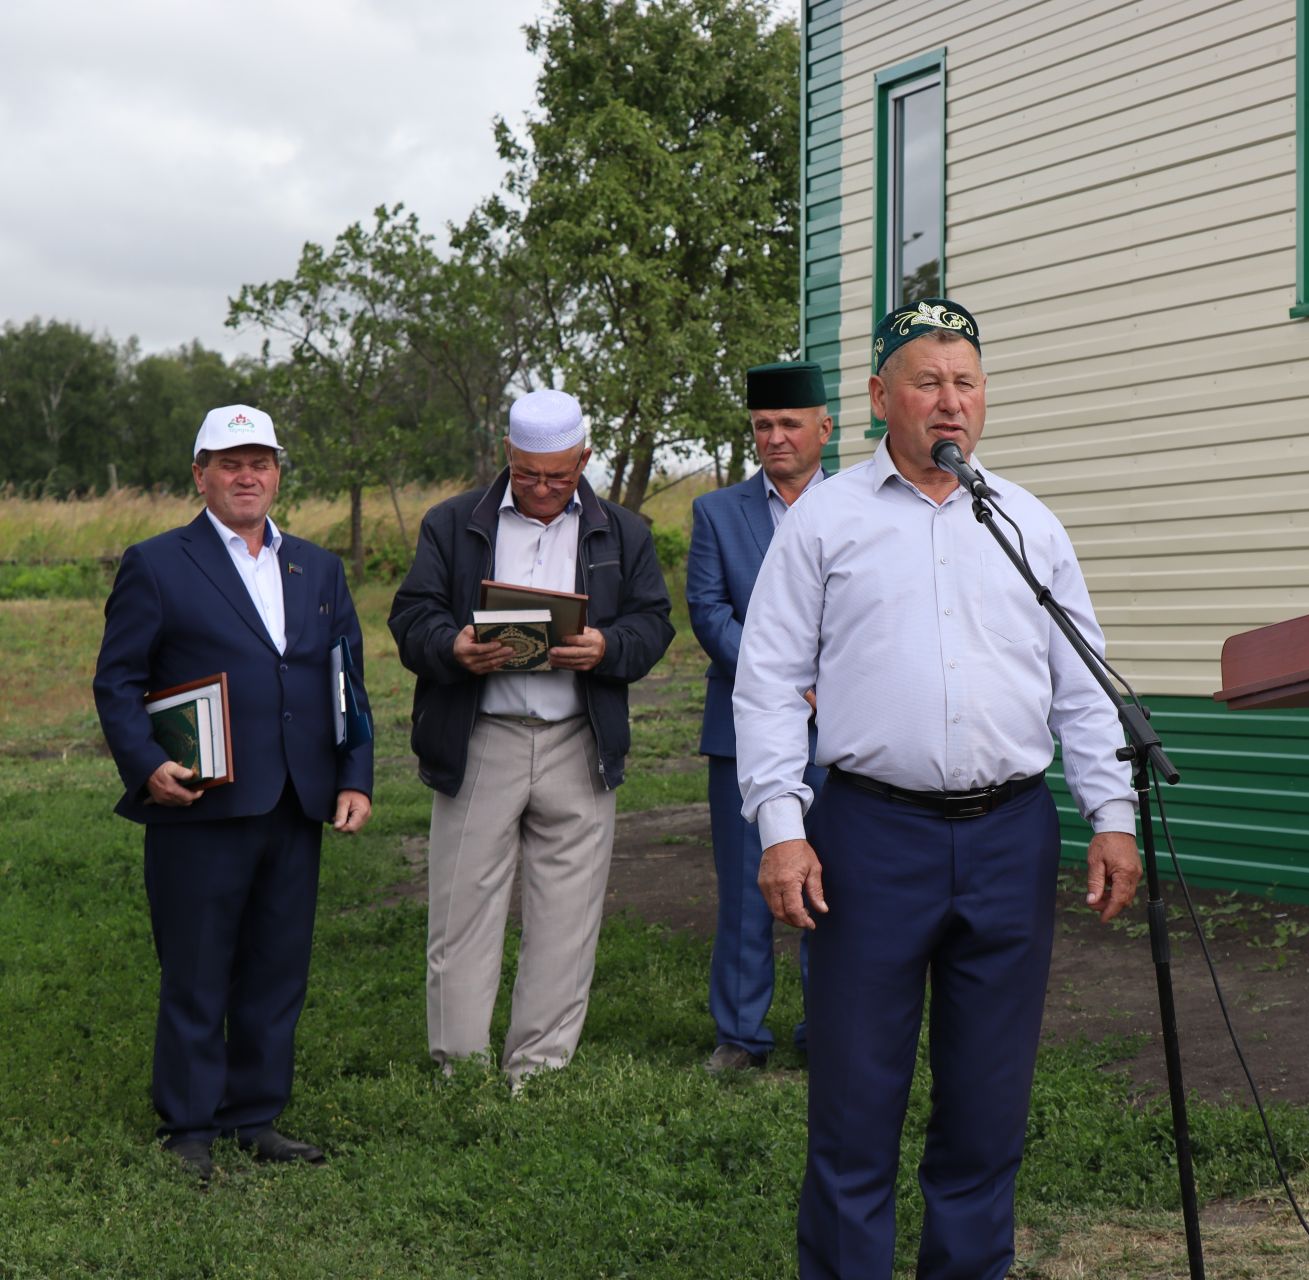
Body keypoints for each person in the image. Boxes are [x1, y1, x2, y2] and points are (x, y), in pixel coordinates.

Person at [734, 299, 1144, 1279]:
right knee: (854, 1106)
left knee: (987, 1105)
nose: (949, 402)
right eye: (928, 381)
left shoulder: (1027, 523)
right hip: (870, 837)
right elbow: (768, 679)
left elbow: (1082, 684)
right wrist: (782, 827)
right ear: (881, 398)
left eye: (966, 382)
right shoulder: (827, 519)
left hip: (1010, 836)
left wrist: (1113, 814)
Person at [93, 405, 374, 1182]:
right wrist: (147, 763)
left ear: (278, 471)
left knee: (278, 966)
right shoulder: (157, 562)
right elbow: (117, 681)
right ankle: (187, 1123)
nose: (246, 475)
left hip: (295, 799)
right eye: (228, 462)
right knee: (197, 965)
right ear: (200, 475)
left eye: (260, 461)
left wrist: (355, 774)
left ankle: (255, 1114)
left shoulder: (316, 566)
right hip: (199, 802)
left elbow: (344, 678)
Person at [387, 389, 674, 1088]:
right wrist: (453, 646)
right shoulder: (453, 524)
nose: (544, 489)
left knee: (568, 915)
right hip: (483, 735)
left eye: (559, 475)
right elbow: (411, 613)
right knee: (462, 911)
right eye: (528, 474)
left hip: (579, 739)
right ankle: (458, 1065)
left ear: (584, 458)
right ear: (505, 457)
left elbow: (654, 623)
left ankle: (538, 1071)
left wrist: (607, 646)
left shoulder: (624, 532)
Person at [687, 361, 833, 1073]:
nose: (776, 438)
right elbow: (709, 612)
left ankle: (828, 1027)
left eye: (789, 424)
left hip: (844, 730)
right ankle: (741, 1036)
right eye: (763, 427)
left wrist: (829, 684)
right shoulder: (718, 513)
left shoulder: (861, 507)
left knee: (836, 882)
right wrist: (784, 679)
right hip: (744, 730)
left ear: (823, 429)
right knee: (749, 883)